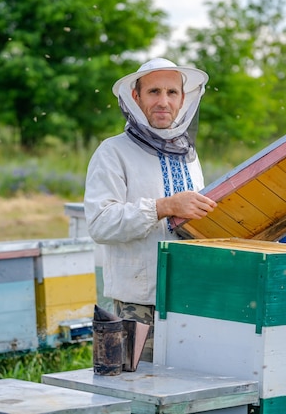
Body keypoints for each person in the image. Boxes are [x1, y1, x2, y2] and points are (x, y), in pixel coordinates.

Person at [84, 58, 216, 362]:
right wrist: (164, 206)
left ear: (183, 99)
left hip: (190, 299)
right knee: (138, 393)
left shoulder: (189, 157)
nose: (163, 101)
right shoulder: (112, 152)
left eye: (172, 93)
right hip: (137, 307)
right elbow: (100, 223)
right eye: (154, 92)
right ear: (136, 97)